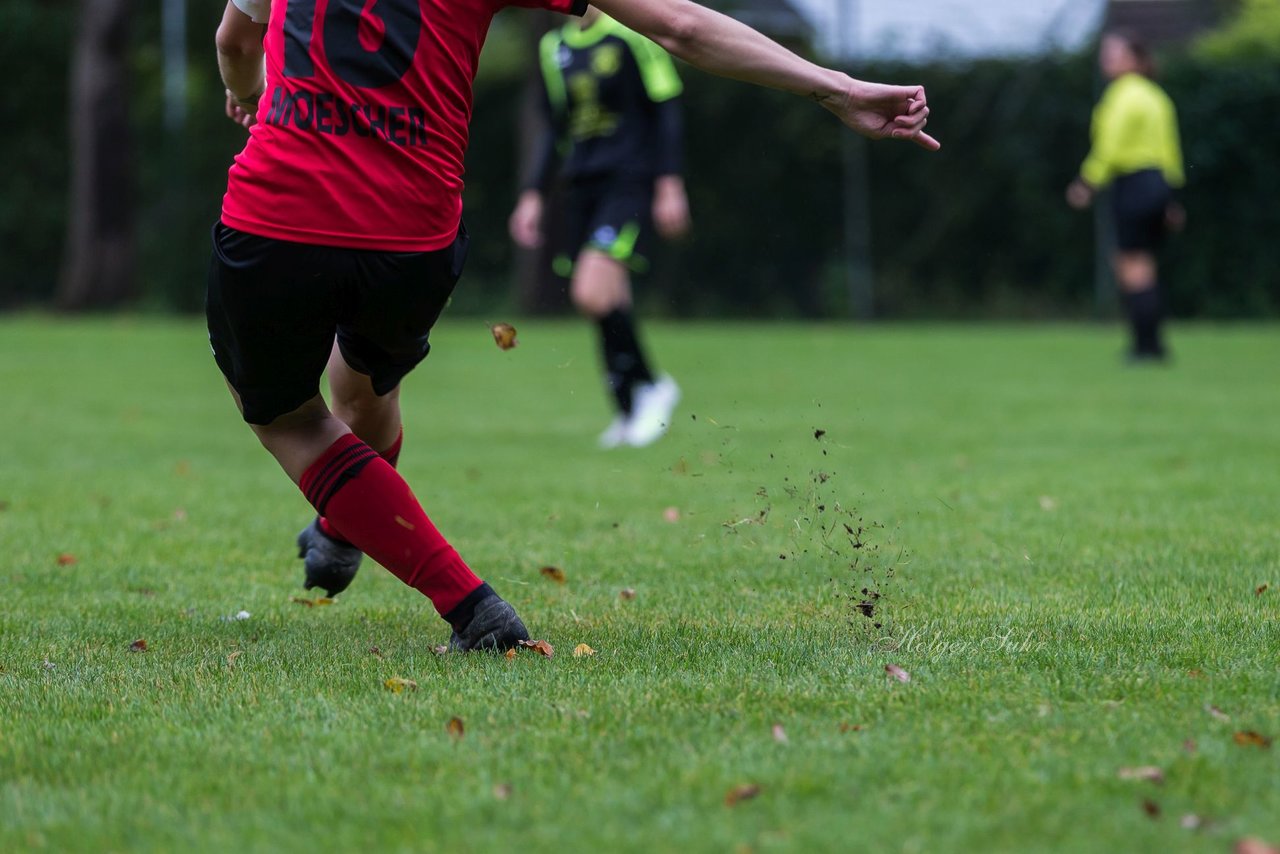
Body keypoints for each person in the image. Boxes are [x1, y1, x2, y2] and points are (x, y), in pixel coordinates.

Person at [210, 0, 939, 652]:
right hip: (413, 241)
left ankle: (469, 606)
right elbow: (681, 24)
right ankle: (342, 531)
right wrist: (836, 87)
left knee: (291, 420)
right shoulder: (563, 48)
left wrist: (248, 96)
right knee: (360, 386)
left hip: (281, 216)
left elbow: (236, 42)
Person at [509, 8, 689, 448]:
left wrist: (669, 186)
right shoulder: (556, 47)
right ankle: (629, 409)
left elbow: (665, 111)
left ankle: (651, 385)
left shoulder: (633, 34)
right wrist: (532, 194)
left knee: (591, 291)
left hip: (628, 182)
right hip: (581, 185)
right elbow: (555, 128)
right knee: (608, 298)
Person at [1067, 29, 1185, 363]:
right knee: (1143, 264)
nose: (1107, 60)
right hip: (1158, 184)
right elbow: (1170, 151)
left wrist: (1086, 183)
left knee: (1130, 264)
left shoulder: (1122, 95)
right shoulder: (1156, 96)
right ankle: (1152, 344)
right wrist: (1171, 198)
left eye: (1114, 54)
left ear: (1134, 59)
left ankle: (1145, 347)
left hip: (1133, 183)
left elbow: (1110, 148)